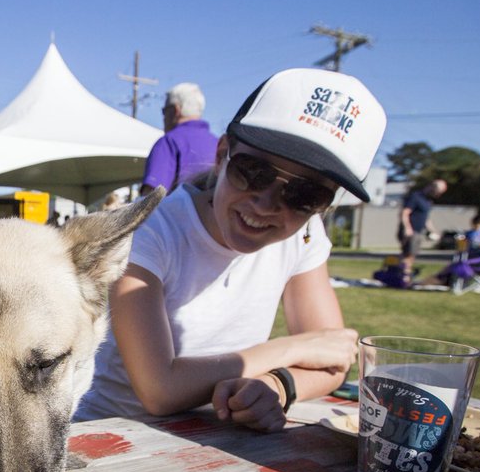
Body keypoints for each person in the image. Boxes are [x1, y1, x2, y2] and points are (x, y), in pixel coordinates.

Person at [76, 67, 387, 433]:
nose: (267, 204)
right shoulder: (151, 234)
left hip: (220, 438)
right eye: (254, 171)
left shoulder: (305, 234)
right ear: (222, 154)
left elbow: (332, 361)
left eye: (306, 195)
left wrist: (275, 385)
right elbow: (158, 390)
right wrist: (290, 350)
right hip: (115, 437)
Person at [139, 82, 219, 196]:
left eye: (164, 110)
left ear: (176, 110)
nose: (163, 117)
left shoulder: (168, 142)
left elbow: (149, 199)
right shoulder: (219, 145)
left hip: (178, 213)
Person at [398, 178, 447, 285]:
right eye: (437, 192)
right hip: (411, 231)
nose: (437, 195)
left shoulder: (428, 201)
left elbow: (426, 219)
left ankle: (405, 277)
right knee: (407, 255)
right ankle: (403, 279)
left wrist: (433, 230)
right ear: (432, 187)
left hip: (419, 231)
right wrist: (407, 228)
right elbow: (405, 213)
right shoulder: (416, 197)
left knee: (412, 256)